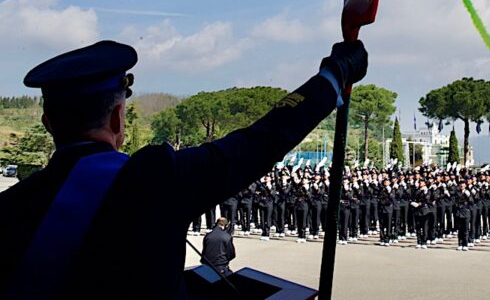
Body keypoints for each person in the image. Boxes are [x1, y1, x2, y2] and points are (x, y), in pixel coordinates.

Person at [0, 39, 367, 299]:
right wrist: (333, 76)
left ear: (48, 123)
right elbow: (260, 141)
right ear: (117, 117)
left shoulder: (11, 206)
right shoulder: (155, 178)